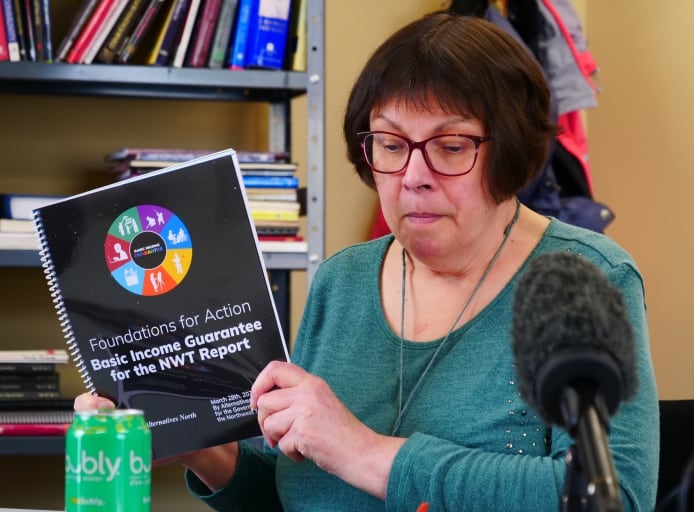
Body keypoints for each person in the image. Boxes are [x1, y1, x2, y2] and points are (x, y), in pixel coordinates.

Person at [75, 12, 659, 511]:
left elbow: (615, 498)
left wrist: (365, 451)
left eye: (451, 146)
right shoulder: (342, 280)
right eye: (391, 144)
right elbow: (294, 494)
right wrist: (205, 448)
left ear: (509, 150)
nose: (413, 177)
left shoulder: (589, 280)